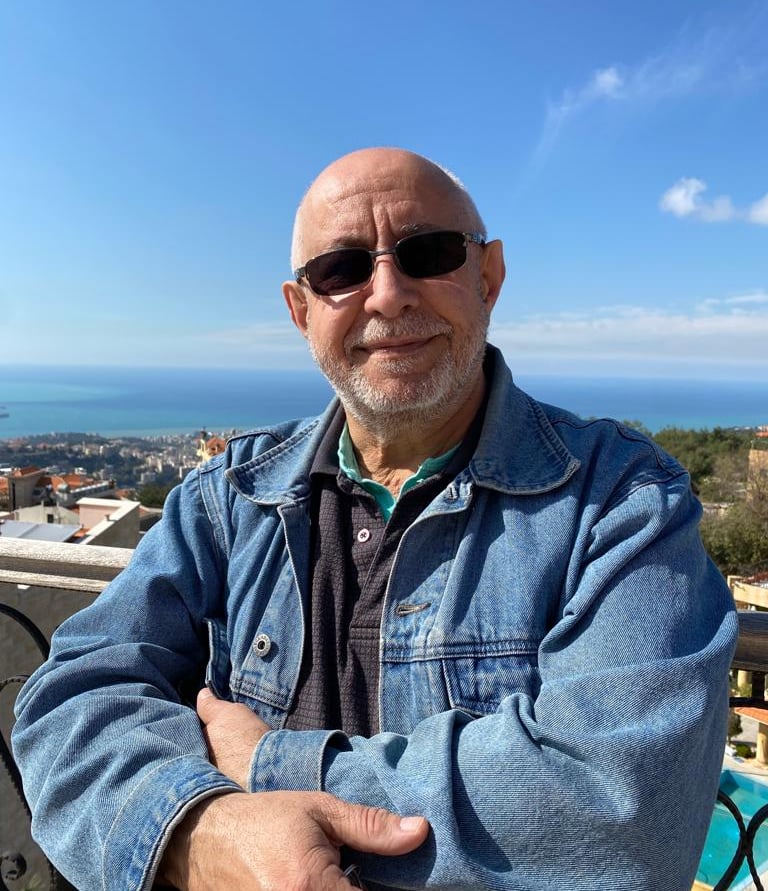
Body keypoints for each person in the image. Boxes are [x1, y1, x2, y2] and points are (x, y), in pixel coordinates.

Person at [13, 147, 737, 891]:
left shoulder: (620, 500)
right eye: (341, 270)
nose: (387, 295)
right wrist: (198, 831)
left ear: (488, 277)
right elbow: (69, 706)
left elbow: (627, 809)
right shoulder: (228, 499)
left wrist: (267, 764)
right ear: (302, 312)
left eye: (428, 253)